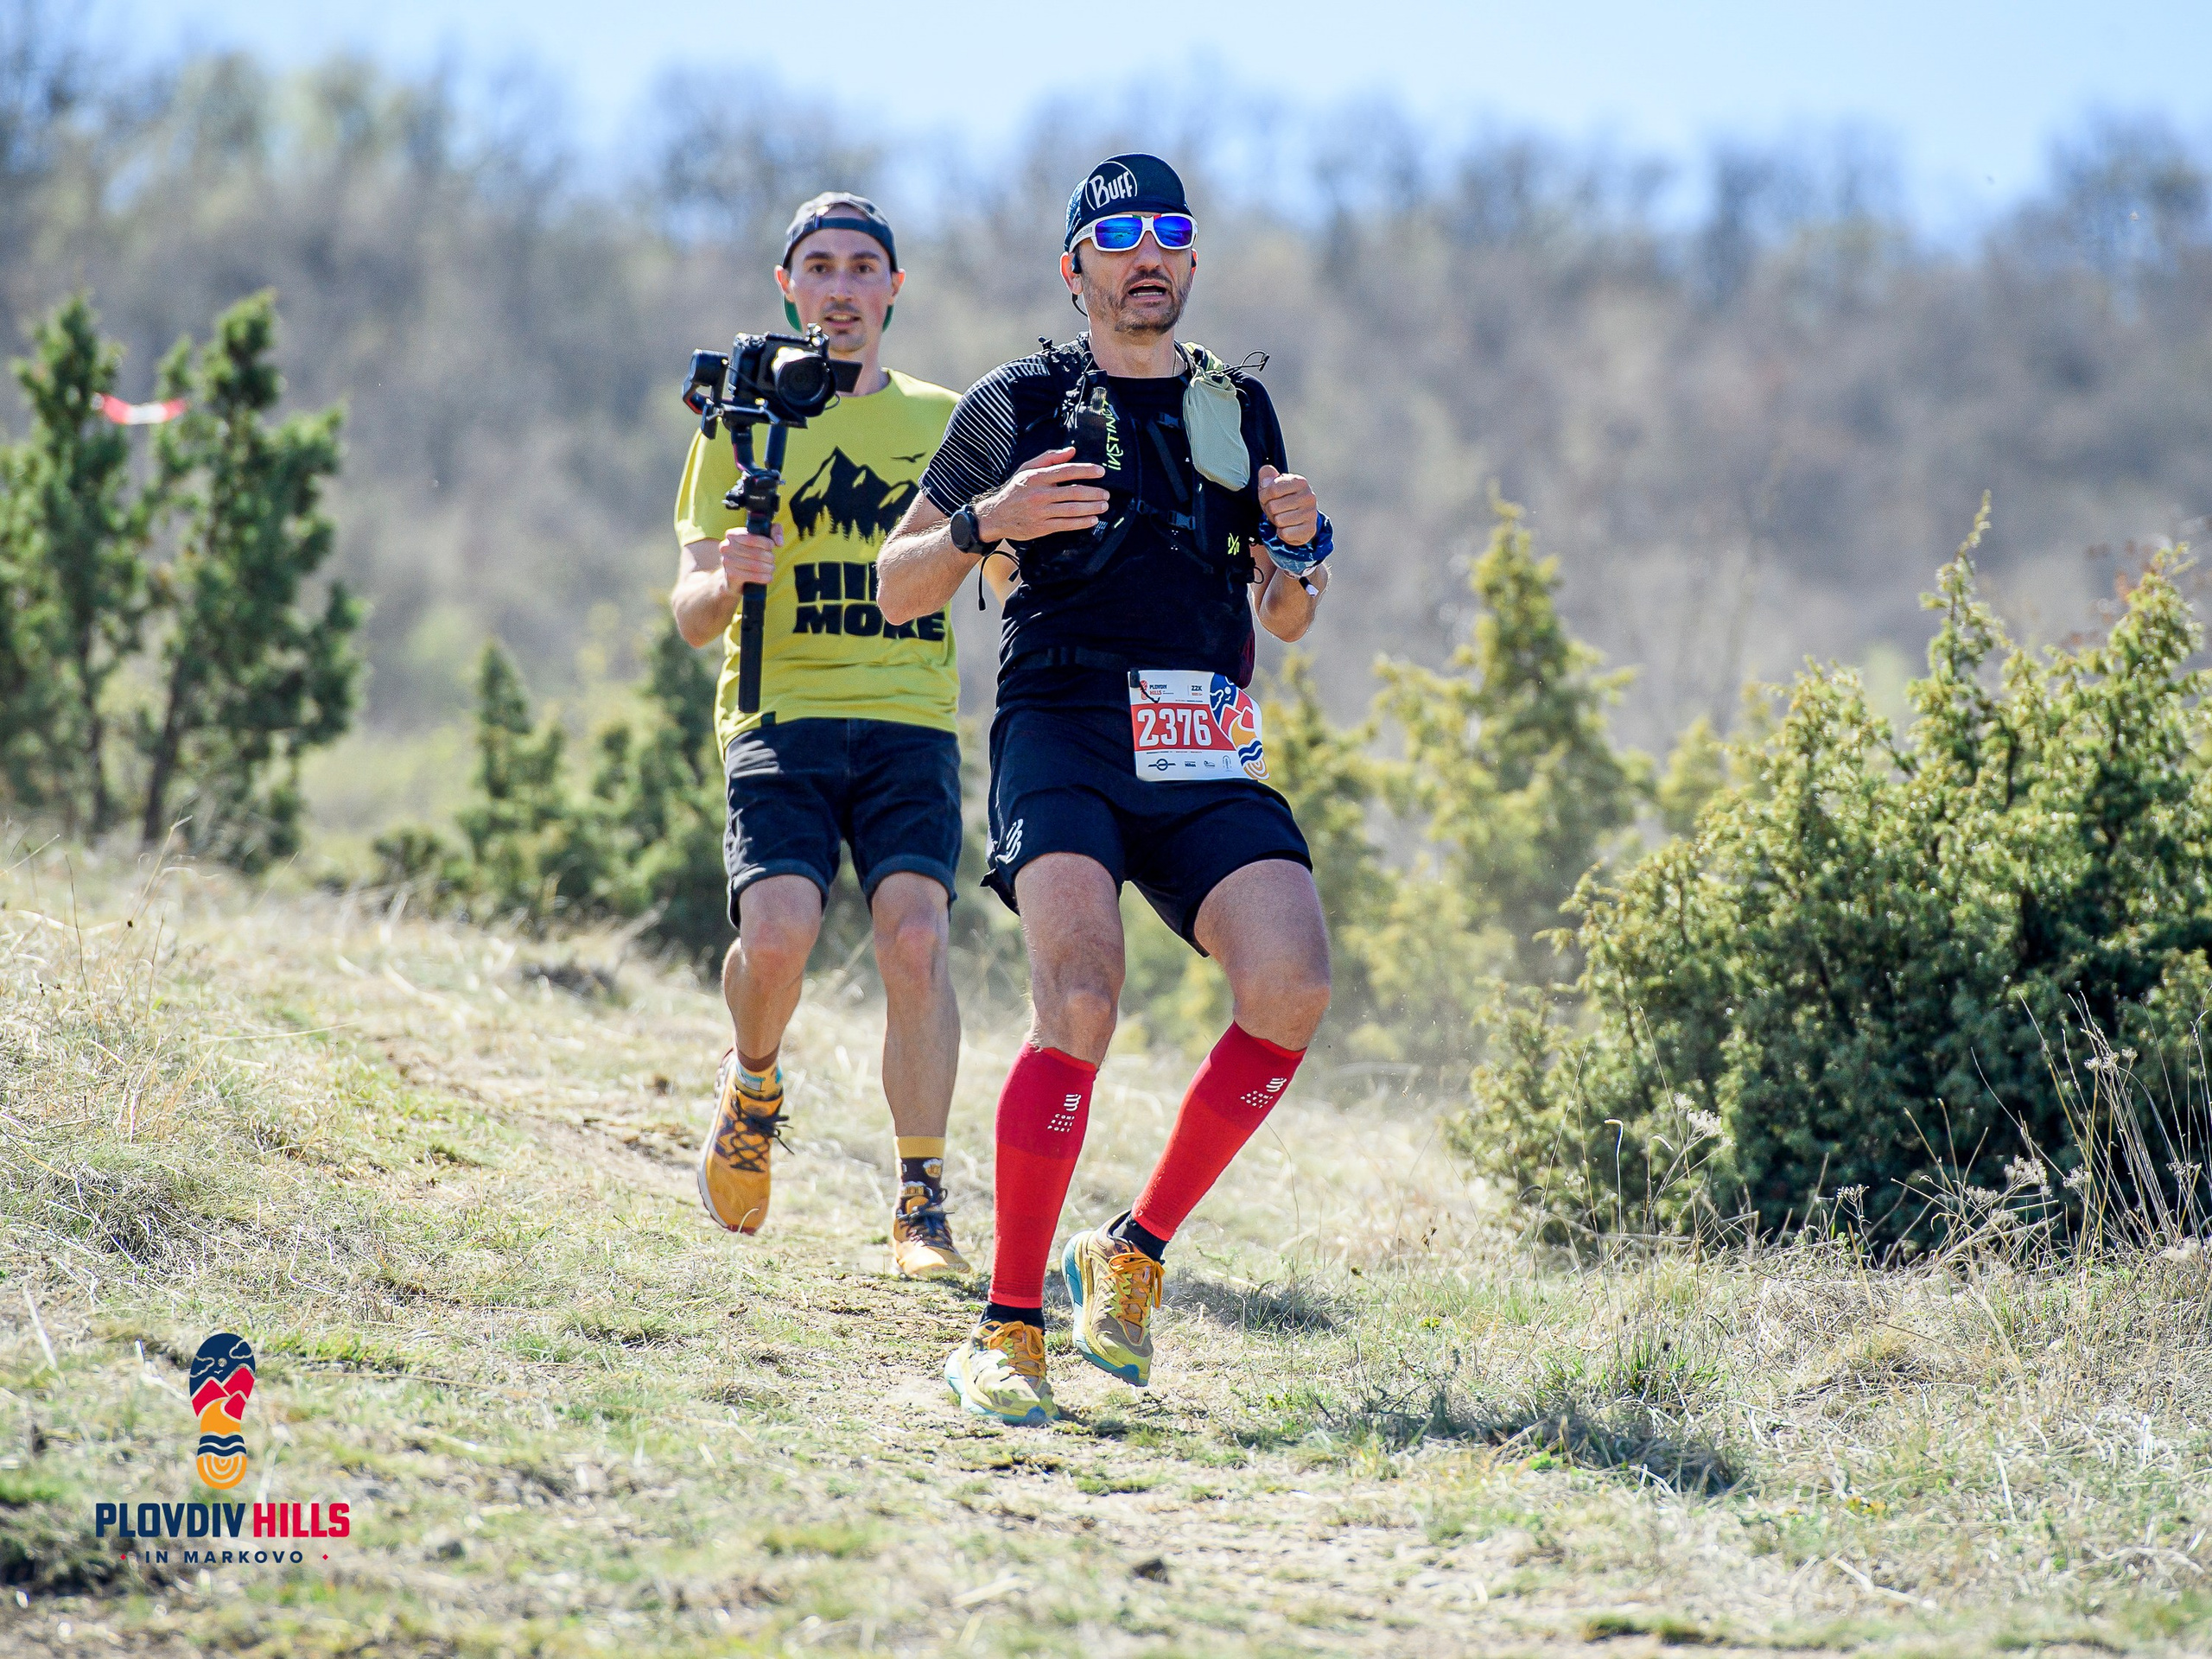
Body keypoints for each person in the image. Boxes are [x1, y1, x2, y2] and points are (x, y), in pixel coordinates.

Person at [878, 155, 1336, 1423]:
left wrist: (1297, 548)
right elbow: (894, 581)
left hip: (1201, 734)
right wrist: (991, 520)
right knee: (1081, 996)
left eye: (1172, 236)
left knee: (1293, 984)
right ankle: (1009, 1329)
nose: (1150, 257)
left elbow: (1287, 617)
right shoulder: (1014, 401)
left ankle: (1131, 1254)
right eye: (1121, 237)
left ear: (1191, 263)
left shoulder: (1236, 407)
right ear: (1073, 266)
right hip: (1066, 723)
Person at [671, 192, 970, 1280]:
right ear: (788, 287)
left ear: (894, 288)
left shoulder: (946, 420)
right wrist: (728, 581)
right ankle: (754, 1086)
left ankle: (922, 1200)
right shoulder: (741, 419)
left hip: (908, 718)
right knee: (782, 933)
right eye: (819, 267)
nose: (840, 287)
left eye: (861, 267)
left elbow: (993, 557)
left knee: (917, 939)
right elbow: (691, 605)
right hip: (777, 712)